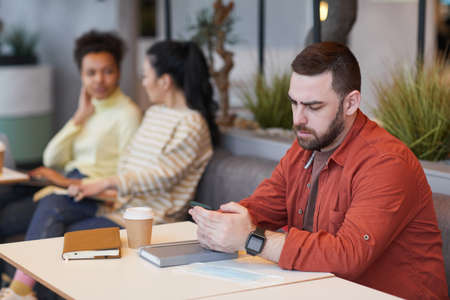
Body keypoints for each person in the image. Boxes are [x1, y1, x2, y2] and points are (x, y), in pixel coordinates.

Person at [189, 42, 448, 299]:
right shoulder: (306, 146)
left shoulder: (386, 163)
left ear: (351, 103)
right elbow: (261, 208)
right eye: (294, 103)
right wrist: (219, 222)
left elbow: (348, 255)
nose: (298, 119)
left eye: (313, 107)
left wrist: (251, 239)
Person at [0, 40, 218, 300]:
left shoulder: (192, 124)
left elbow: (162, 176)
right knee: (53, 208)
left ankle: (21, 293)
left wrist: (104, 183)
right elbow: (128, 163)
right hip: (120, 208)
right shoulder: (155, 113)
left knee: (65, 242)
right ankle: (20, 293)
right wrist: (98, 188)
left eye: (145, 75)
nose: (143, 82)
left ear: (165, 81)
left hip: (150, 221)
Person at [0, 30, 141, 300]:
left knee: (51, 209)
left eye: (107, 71)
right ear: (81, 75)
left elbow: (126, 176)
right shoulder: (88, 109)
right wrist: (78, 117)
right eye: (91, 73)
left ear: (119, 72)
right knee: (5, 212)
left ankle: (20, 292)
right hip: (63, 188)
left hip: (93, 194)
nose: (99, 80)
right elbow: (52, 158)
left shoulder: (127, 114)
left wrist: (68, 183)